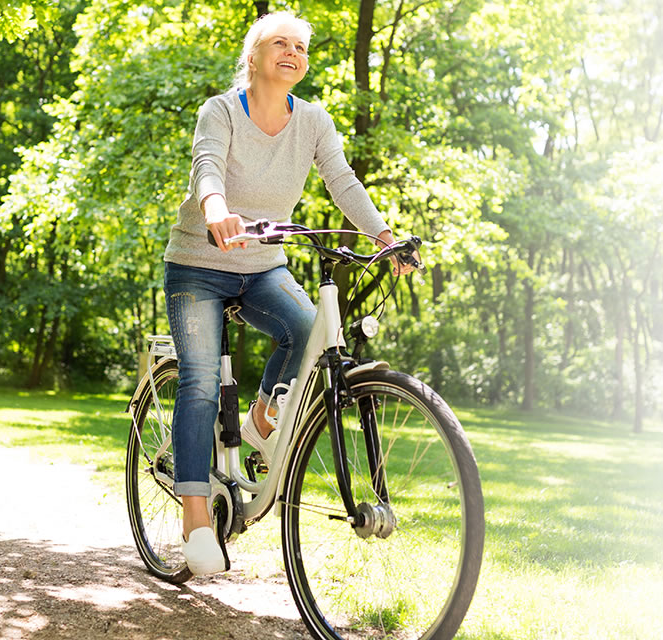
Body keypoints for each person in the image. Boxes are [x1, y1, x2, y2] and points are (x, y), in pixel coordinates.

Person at [165, 11, 416, 576]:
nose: (293, 52)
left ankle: (258, 419)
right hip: (199, 263)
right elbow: (207, 167)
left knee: (307, 328)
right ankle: (196, 520)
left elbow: (342, 180)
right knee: (200, 380)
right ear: (252, 57)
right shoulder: (222, 110)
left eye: (301, 46)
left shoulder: (315, 121)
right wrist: (216, 210)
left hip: (262, 265)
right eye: (279, 43)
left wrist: (384, 236)